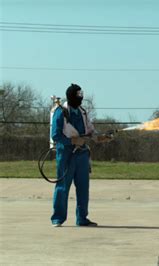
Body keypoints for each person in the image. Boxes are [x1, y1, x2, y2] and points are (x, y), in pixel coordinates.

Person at [50, 84, 97, 227]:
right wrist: (72, 140)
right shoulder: (60, 112)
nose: (80, 98)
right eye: (78, 95)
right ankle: (58, 218)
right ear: (71, 96)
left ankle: (82, 218)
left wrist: (99, 137)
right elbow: (56, 135)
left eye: (81, 94)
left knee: (83, 187)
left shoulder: (82, 111)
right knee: (63, 186)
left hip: (82, 154)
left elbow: (89, 130)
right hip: (66, 154)